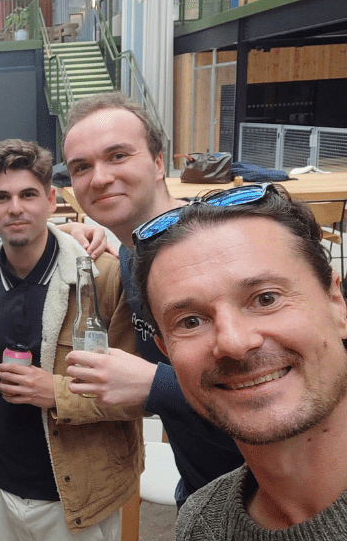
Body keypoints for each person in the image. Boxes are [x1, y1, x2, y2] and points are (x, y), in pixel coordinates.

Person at [131, 183, 347, 541]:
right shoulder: (203, 525)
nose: (232, 342)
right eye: (191, 321)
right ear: (166, 351)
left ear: (336, 302)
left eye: (266, 298)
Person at [0, 139, 144, 541]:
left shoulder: (101, 277)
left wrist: (55, 392)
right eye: (1, 197)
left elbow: (139, 394)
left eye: (28, 194)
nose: (15, 208)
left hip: (76, 498)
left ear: (51, 199)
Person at [61, 92, 244, 506]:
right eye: (82, 167)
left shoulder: (219, 246)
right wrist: (63, 232)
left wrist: (153, 385)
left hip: (282, 498)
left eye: (118, 156)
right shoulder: (132, 255)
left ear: (159, 163)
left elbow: (274, 390)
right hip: (204, 496)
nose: (99, 178)